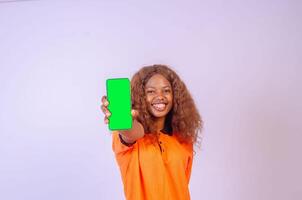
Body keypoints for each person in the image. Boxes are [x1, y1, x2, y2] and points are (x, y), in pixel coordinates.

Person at [101, 64, 203, 200]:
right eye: (151, 91)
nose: (160, 96)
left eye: (166, 91)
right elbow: (132, 131)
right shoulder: (130, 140)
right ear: (141, 97)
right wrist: (122, 121)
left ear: (175, 96)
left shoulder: (183, 139)